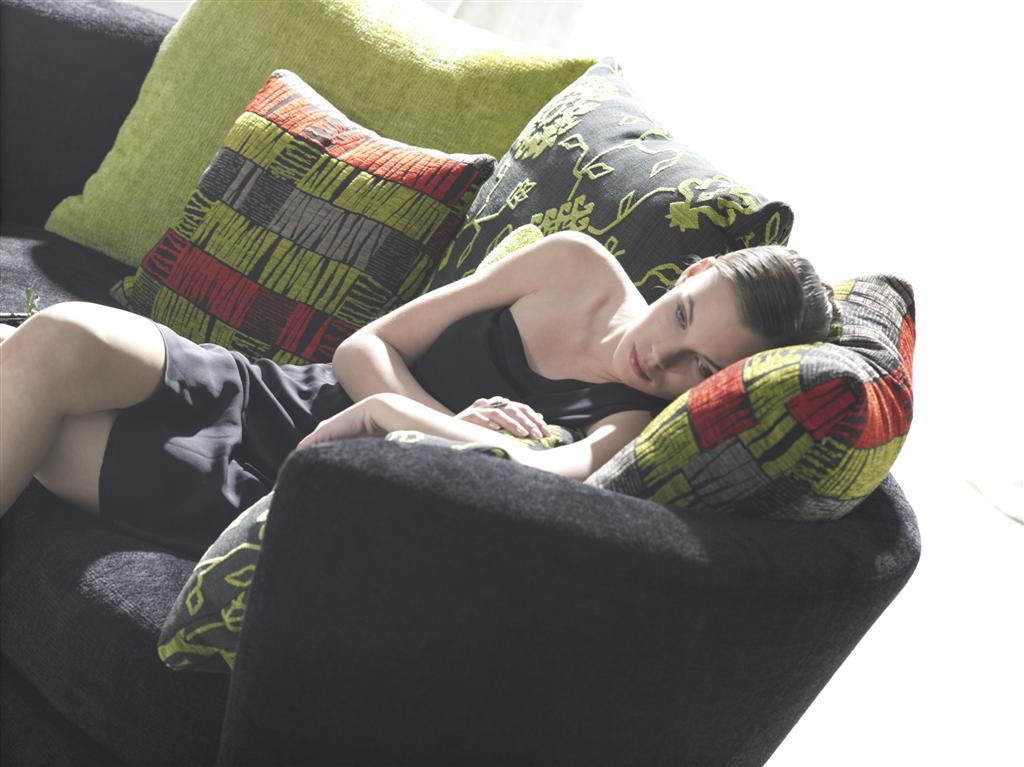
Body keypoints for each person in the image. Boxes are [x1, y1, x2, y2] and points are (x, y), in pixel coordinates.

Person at [0, 231, 835, 555]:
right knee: (52, 336)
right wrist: (442, 420)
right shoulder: (574, 263)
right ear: (690, 272)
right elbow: (363, 346)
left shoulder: (633, 422)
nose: (663, 359)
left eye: (701, 367)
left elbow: (543, 476)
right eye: (681, 315)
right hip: (277, 393)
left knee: (26, 403)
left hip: (293, 481)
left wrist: (399, 419)